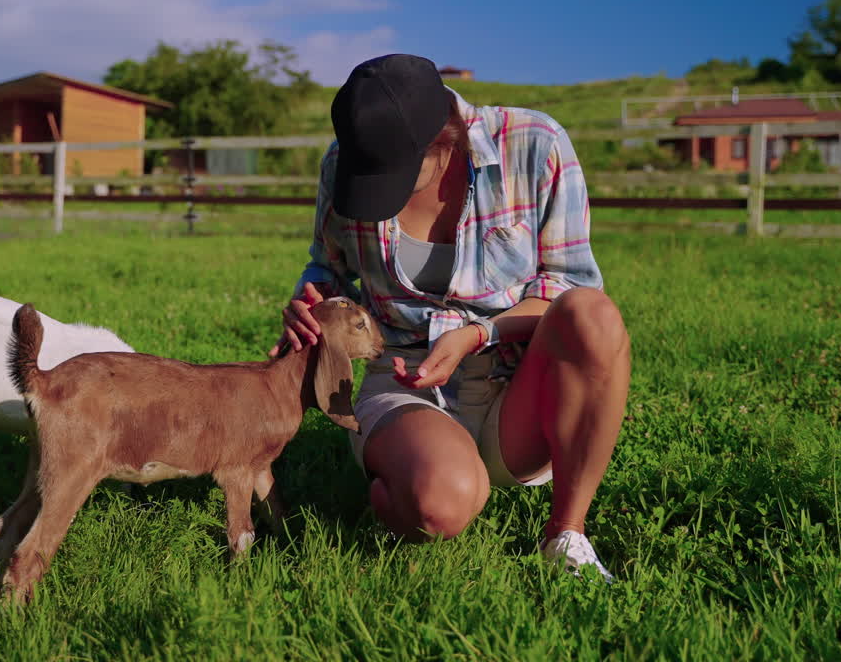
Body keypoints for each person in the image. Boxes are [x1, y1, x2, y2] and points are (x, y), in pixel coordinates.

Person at [270, 54, 630, 580]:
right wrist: (311, 304)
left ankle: (567, 534)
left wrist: (478, 334)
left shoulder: (536, 145)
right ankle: (410, 477)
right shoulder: (347, 160)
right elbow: (327, 268)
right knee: (439, 506)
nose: (382, 192)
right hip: (403, 377)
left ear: (445, 140)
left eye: (396, 178)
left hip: (514, 384)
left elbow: (570, 286)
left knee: (592, 315)